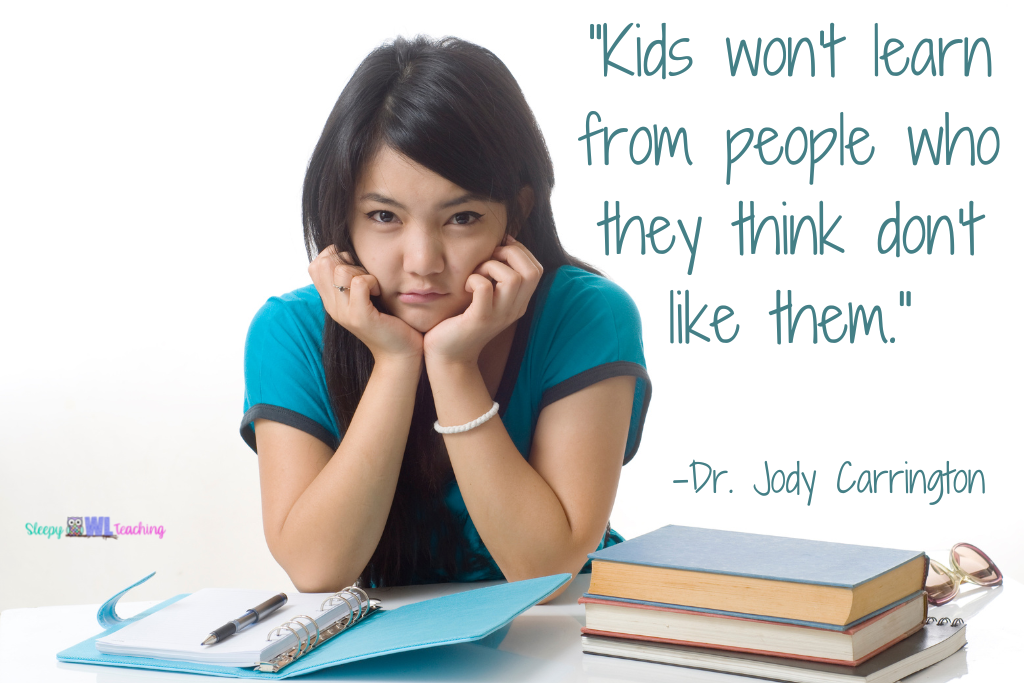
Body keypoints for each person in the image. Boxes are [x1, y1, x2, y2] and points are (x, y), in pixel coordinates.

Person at [240, 36, 651, 598]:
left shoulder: (586, 316)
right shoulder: (290, 331)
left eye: (461, 217)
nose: (423, 262)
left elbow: (547, 572)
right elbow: (317, 568)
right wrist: (394, 360)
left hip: (566, 634)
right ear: (343, 213)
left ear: (518, 211)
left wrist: (454, 366)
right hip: (389, 652)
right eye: (384, 215)